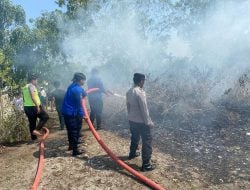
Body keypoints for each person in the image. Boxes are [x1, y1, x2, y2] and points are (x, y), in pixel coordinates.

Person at [126, 73, 156, 171]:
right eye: (144, 81)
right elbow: (144, 109)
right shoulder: (140, 92)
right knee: (147, 141)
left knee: (134, 137)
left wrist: (130, 116)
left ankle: (132, 153)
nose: (144, 83)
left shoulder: (129, 91)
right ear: (141, 81)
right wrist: (149, 122)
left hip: (132, 120)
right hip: (141, 122)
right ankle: (146, 164)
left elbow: (128, 106)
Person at [62, 72, 87, 156]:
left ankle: (71, 146)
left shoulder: (72, 86)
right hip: (72, 113)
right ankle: (75, 151)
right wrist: (83, 115)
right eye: (84, 80)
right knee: (75, 131)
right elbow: (79, 104)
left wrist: (84, 93)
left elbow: (83, 93)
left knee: (70, 130)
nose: (84, 82)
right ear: (80, 80)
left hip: (66, 111)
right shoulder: (77, 89)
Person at [22, 74, 49, 140]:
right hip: (34, 106)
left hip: (27, 107)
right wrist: (37, 106)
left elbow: (24, 98)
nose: (37, 82)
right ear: (33, 80)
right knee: (45, 117)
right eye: (36, 80)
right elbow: (33, 96)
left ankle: (33, 138)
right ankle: (36, 130)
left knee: (32, 122)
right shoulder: (32, 86)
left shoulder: (24, 87)